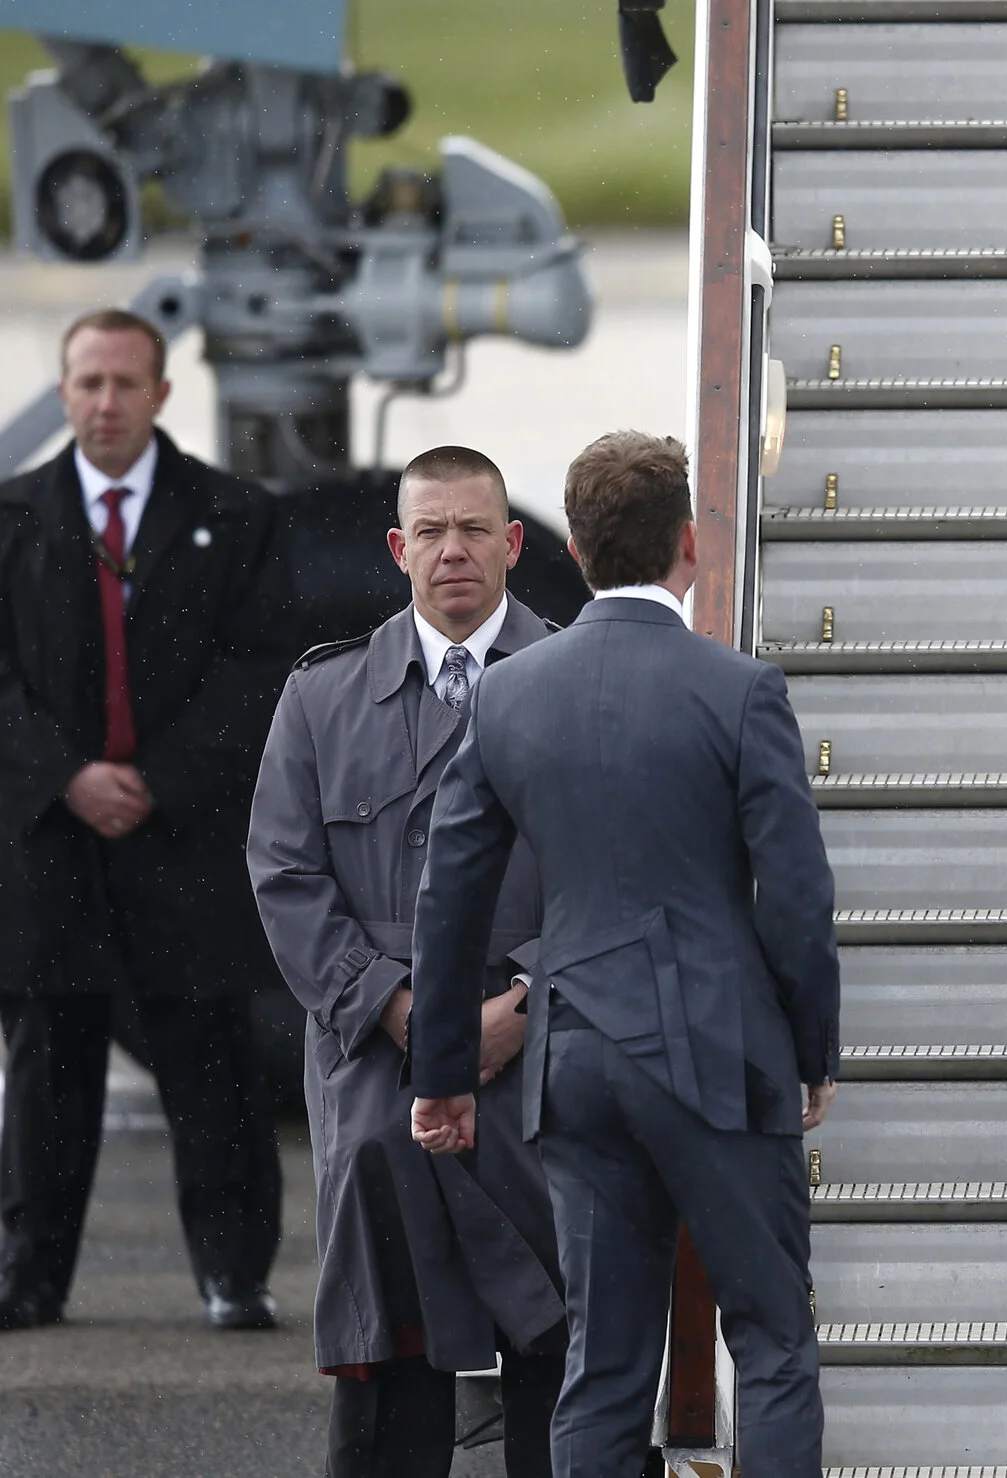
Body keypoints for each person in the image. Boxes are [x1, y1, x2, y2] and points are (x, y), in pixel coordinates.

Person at [403, 431, 840, 1477]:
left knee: (605, 1364)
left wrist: (442, 1074)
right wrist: (811, 1047)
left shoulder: (508, 695)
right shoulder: (739, 691)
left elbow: (449, 894)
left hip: (577, 1060)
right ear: (687, 544)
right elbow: (793, 892)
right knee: (772, 1340)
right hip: (719, 1058)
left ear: (577, 552)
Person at [248, 445, 569, 1477]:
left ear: (514, 543)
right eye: (430, 530)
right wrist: (398, 1011)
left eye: (475, 528)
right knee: (394, 1366)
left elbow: (620, 869)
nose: (453, 550)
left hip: (539, 1064)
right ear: (397, 547)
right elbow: (285, 876)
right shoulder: (322, 698)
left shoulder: (578, 685)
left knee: (558, 1351)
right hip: (380, 1073)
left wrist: (529, 998)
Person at [0, 308, 289, 1332]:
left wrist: (156, 777)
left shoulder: (234, 514)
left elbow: (257, 671)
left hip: (184, 836)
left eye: (127, 383)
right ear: (66, 388)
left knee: (212, 1056)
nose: (106, 403)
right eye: (88, 383)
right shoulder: (14, 518)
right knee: (47, 1067)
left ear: (164, 393)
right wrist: (69, 774)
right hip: (52, 840)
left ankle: (233, 1272)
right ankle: (30, 1274)